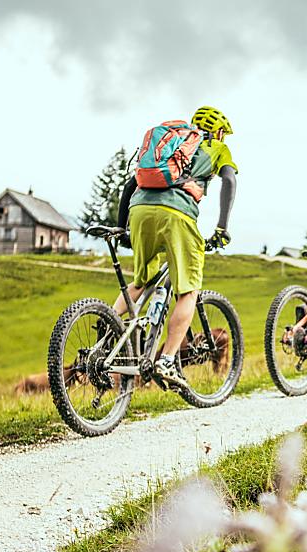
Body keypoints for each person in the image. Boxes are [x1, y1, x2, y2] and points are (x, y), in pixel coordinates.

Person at [113, 106, 238, 389]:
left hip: (139, 210)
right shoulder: (216, 147)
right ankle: (167, 360)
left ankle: (108, 325)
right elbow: (229, 180)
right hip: (177, 214)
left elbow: (130, 184)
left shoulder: (171, 142)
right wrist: (222, 227)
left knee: (141, 281)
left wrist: (123, 228)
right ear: (219, 131)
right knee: (188, 290)